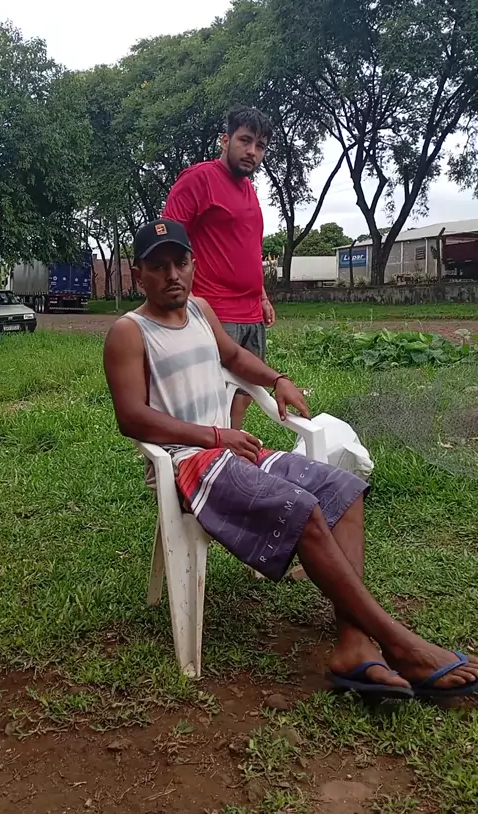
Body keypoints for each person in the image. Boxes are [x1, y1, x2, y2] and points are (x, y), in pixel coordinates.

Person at [103, 217, 478, 700]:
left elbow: (234, 358)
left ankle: (354, 644)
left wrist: (276, 378)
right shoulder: (129, 332)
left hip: (231, 452)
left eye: (180, 262)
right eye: (158, 267)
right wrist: (216, 435)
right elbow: (131, 418)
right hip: (188, 465)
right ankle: (400, 643)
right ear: (139, 275)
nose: (172, 275)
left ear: (193, 264)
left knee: (343, 489)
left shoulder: (200, 310)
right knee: (301, 508)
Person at [163, 105, 275, 430]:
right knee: (211, 393)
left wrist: (262, 296)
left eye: (260, 146)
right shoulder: (199, 179)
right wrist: (181, 300)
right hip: (215, 310)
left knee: (246, 389)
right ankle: (206, 449)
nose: (252, 151)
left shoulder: (249, 191)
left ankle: (231, 442)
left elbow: (249, 248)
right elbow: (169, 240)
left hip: (251, 313)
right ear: (225, 140)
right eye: (245, 140)